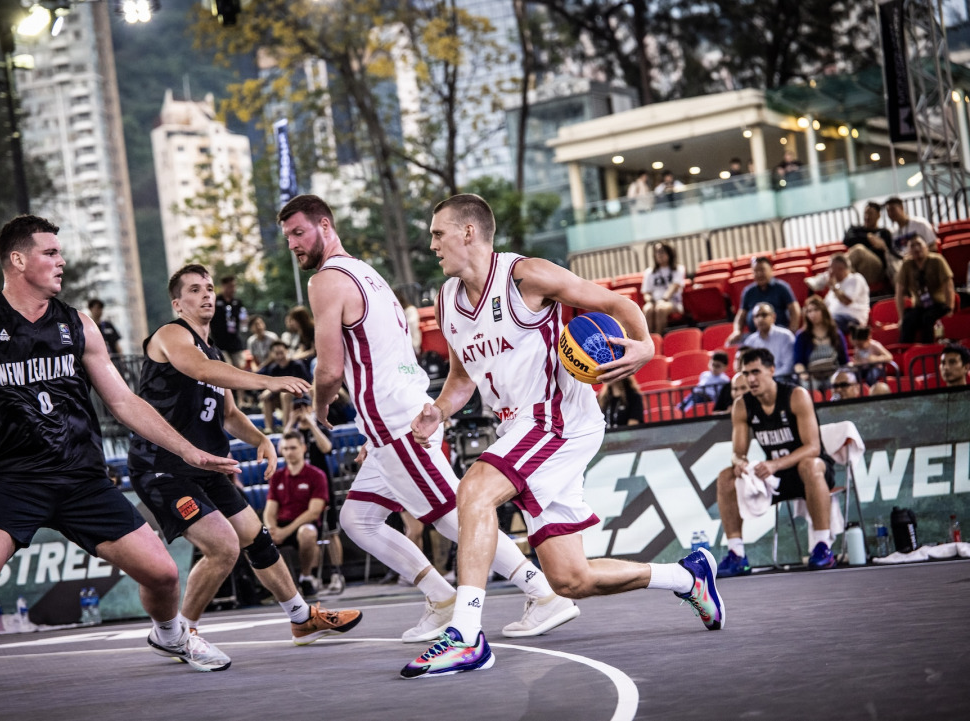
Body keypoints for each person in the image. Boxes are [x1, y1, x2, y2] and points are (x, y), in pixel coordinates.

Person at [0, 216, 248, 704]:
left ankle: (170, 634)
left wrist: (187, 449)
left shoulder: (77, 324)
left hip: (81, 477)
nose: (61, 261)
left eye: (60, 252)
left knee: (164, 574)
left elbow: (123, 401)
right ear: (18, 260)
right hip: (9, 479)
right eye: (50, 253)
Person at [401, 193, 723, 678]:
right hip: (518, 428)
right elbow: (463, 377)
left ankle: (466, 637)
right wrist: (439, 411)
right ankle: (686, 576)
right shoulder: (446, 301)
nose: (432, 245)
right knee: (571, 579)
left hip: (557, 418)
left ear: (468, 232)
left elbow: (615, 302)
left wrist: (645, 345)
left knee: (474, 491)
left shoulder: (526, 276)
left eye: (437, 233)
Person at [284, 194, 584, 652]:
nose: (292, 243)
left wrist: (320, 408)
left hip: (395, 419)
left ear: (325, 226)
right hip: (393, 416)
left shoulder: (326, 280)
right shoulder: (364, 272)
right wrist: (373, 431)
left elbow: (328, 370)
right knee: (358, 518)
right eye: (287, 236)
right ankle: (442, 598)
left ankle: (542, 592)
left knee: (453, 514)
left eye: (298, 232)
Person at [127, 263, 358, 656]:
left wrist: (262, 439)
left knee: (256, 537)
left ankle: (301, 617)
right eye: (195, 289)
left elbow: (230, 414)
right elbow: (200, 369)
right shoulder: (170, 335)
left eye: (209, 288)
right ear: (177, 303)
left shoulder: (214, 353)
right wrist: (268, 380)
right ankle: (179, 633)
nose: (206, 294)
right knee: (223, 547)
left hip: (207, 466)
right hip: (162, 466)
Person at [715, 347, 837, 578]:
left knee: (809, 465)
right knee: (726, 477)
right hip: (777, 476)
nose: (751, 379)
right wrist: (740, 463)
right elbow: (737, 453)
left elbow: (813, 447)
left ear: (771, 370)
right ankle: (737, 555)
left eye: (756, 372)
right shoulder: (742, 405)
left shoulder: (796, 395)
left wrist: (774, 464)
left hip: (813, 470)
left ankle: (823, 547)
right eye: (746, 373)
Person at [282, 397, 346, 595]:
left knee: (331, 531)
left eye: (305, 406)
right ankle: (313, 576)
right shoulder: (293, 434)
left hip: (322, 486)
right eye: (297, 407)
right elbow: (281, 448)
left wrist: (311, 423)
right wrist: (291, 421)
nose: (301, 410)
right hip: (301, 490)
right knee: (312, 533)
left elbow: (327, 447)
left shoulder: (319, 427)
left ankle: (337, 573)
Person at [264, 432, 329, 599]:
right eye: (285, 448)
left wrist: (285, 532)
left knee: (307, 533)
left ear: (303, 448)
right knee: (253, 540)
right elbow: (270, 510)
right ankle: (271, 586)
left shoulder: (316, 475)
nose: (289, 452)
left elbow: (314, 511)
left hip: (305, 523)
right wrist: (272, 529)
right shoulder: (277, 476)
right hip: (282, 524)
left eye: (293, 448)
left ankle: (306, 577)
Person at [726, 257, 800, 344]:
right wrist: (737, 331)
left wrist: (792, 330)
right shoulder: (749, 291)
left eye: (762, 270)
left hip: (778, 332)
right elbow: (741, 315)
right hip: (755, 334)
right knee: (732, 343)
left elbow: (794, 310)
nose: (759, 274)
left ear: (771, 270)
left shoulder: (782, 288)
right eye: (756, 271)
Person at [895, 235, 955, 344]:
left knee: (928, 319)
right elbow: (899, 292)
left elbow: (948, 286)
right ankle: (905, 350)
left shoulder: (937, 260)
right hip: (919, 306)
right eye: (912, 246)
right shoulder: (906, 265)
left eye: (919, 244)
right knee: (908, 320)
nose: (916, 248)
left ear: (926, 246)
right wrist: (901, 318)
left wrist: (949, 309)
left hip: (938, 305)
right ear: (908, 251)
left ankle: (928, 349)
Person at [211, 276, 250, 408]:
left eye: (234, 286)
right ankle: (228, 402)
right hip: (220, 342)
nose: (232, 289)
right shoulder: (216, 301)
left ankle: (241, 399)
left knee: (240, 369)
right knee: (227, 369)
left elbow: (243, 320)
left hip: (235, 341)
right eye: (229, 286)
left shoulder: (237, 302)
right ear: (223, 287)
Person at [257, 341, 313, 433]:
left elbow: (305, 385)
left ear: (287, 351)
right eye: (276, 353)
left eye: (281, 353)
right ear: (272, 354)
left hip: (299, 399)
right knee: (266, 398)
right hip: (281, 401)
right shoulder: (273, 369)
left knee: (285, 394)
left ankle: (286, 429)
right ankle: (269, 429)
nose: (280, 356)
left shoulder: (297, 365)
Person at [793, 296, 849, 387]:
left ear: (823, 311)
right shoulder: (802, 336)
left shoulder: (835, 333)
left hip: (834, 374)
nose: (813, 314)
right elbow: (798, 363)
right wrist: (804, 375)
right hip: (812, 377)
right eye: (809, 311)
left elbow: (844, 360)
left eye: (816, 310)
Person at [843, 201, 896, 287]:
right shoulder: (855, 229)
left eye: (870, 213)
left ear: (878, 215)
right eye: (865, 213)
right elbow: (847, 240)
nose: (867, 216)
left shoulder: (884, 232)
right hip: (857, 269)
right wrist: (867, 238)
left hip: (876, 269)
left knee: (859, 250)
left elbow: (887, 250)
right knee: (851, 260)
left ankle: (834, 273)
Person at [740, 302, 796, 378]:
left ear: (773, 317)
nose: (760, 319)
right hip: (758, 381)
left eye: (764, 315)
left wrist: (767, 377)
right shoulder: (750, 342)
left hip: (782, 379)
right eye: (757, 316)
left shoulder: (785, 336)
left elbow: (788, 367)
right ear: (753, 320)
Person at [640, 242, 685, 335]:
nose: (659, 254)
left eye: (662, 251)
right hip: (654, 302)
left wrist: (663, 299)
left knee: (660, 308)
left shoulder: (678, 269)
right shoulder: (649, 272)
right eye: (657, 252)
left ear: (669, 253)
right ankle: (649, 337)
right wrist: (650, 300)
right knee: (648, 309)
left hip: (672, 302)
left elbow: (674, 286)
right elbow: (646, 293)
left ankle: (658, 336)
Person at [820, 254, 870, 334]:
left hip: (853, 320)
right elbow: (823, 306)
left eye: (830, 268)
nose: (829, 272)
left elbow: (847, 301)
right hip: (835, 319)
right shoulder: (835, 287)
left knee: (829, 323)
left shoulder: (855, 279)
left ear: (841, 268)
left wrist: (834, 288)